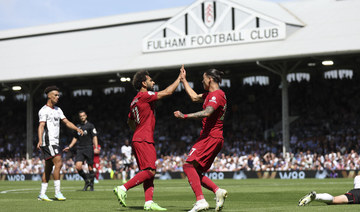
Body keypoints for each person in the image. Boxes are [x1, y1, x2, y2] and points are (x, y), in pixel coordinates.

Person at [113, 68, 183, 211]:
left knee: (148, 173)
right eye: (151, 80)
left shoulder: (134, 101)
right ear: (144, 83)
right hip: (144, 139)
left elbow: (130, 121)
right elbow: (168, 92)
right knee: (150, 171)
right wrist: (180, 79)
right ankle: (123, 188)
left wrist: (139, 129)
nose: (153, 81)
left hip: (138, 138)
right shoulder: (145, 95)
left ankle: (149, 202)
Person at [174, 66, 228, 212]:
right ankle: (217, 191)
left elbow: (207, 112)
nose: (201, 81)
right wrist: (183, 80)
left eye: (203, 79)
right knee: (196, 173)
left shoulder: (217, 95)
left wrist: (185, 116)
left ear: (210, 79)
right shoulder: (209, 95)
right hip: (212, 137)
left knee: (187, 166)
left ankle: (201, 200)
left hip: (210, 136)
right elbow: (194, 97)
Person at [37, 85, 83, 201]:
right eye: (55, 95)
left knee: (48, 167)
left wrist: (77, 129)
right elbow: (41, 126)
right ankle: (57, 192)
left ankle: (42, 194)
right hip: (48, 142)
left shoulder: (58, 110)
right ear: (49, 96)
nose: (58, 97)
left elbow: (66, 122)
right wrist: (40, 140)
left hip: (55, 142)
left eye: (58, 95)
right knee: (59, 163)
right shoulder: (43, 111)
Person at [63, 110, 99, 191]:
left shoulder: (90, 126)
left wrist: (96, 147)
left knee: (90, 167)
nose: (82, 117)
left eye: (83, 115)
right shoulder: (78, 126)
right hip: (80, 148)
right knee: (78, 167)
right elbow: (75, 138)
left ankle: (92, 185)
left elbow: (94, 136)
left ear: (86, 116)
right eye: (80, 116)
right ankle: (87, 181)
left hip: (89, 147)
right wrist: (70, 146)